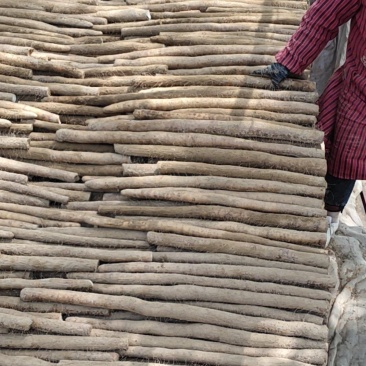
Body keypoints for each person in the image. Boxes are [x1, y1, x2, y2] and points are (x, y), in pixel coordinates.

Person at [253, 0, 366, 243]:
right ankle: (330, 213)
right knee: (347, 149)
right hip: (360, 82)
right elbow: (327, 13)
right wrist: (290, 62)